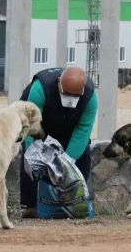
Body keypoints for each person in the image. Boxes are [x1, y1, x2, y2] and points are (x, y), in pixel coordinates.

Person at [18, 66, 98, 218]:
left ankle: (76, 201)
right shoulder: (41, 88)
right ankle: (30, 206)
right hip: (39, 125)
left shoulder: (90, 98)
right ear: (58, 83)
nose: (70, 98)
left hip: (70, 127)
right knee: (30, 158)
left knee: (84, 153)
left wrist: (66, 162)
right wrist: (31, 150)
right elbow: (28, 126)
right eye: (66, 94)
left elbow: (82, 131)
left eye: (75, 96)